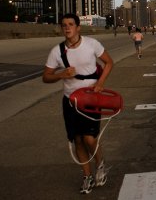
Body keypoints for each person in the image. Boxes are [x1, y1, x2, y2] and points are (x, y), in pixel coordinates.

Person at [43, 13, 114, 194]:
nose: (67, 28)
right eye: (63, 25)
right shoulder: (57, 51)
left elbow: (109, 63)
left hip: (90, 99)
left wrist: (100, 83)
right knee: (78, 140)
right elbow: (46, 76)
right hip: (70, 101)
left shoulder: (92, 44)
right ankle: (87, 177)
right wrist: (61, 75)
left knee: (89, 138)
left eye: (70, 24)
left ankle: (100, 164)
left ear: (78, 27)